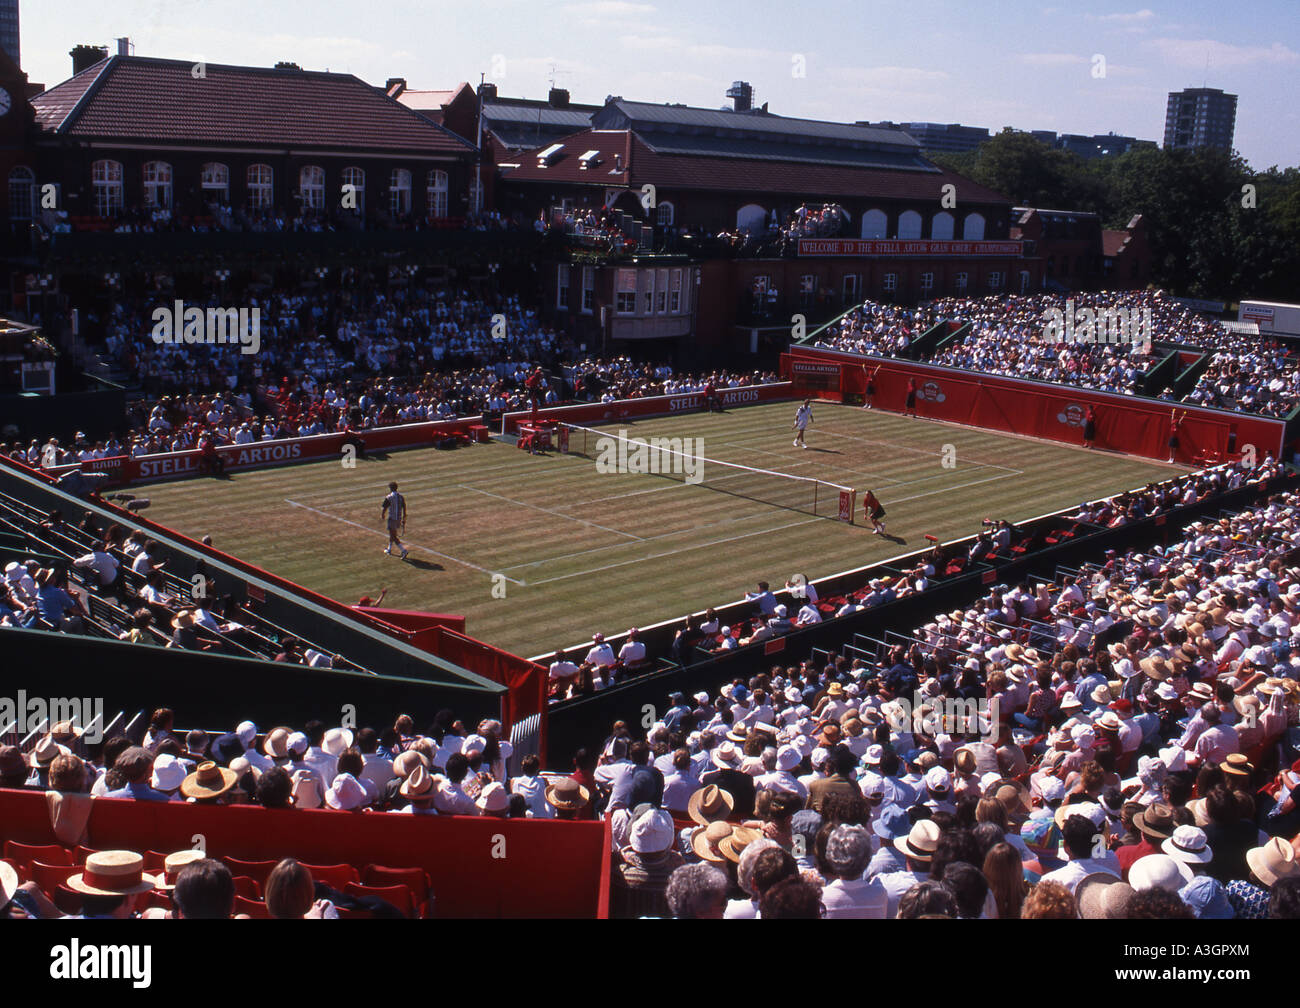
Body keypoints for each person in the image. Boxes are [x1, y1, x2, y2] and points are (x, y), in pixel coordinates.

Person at [381, 481, 408, 559]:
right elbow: (404, 507)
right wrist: (404, 517)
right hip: (398, 519)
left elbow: (384, 507)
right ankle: (389, 549)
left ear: (390, 488)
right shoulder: (401, 497)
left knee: (393, 536)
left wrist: (382, 515)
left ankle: (403, 551)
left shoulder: (389, 497)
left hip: (392, 519)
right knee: (392, 534)